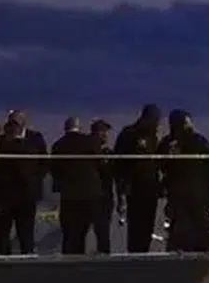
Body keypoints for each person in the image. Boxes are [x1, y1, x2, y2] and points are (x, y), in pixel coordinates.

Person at [0, 115, 48, 255]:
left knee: (26, 231)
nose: (12, 126)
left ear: (23, 123)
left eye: (16, 123)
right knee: (3, 232)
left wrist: (35, 180)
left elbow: (43, 162)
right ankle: (3, 259)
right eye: (10, 123)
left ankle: (27, 257)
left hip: (27, 194)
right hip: (5, 195)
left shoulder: (35, 138)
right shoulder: (1, 141)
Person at [157, 109, 209, 252]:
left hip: (194, 191)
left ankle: (199, 251)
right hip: (184, 192)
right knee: (181, 226)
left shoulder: (196, 141)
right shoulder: (171, 143)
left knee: (198, 225)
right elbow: (161, 163)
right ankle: (184, 251)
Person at [51, 117, 107, 254]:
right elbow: (101, 165)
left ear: (65, 128)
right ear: (79, 127)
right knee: (99, 232)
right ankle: (104, 260)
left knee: (71, 236)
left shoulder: (58, 145)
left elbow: (54, 170)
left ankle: (71, 262)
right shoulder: (90, 142)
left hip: (69, 196)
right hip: (91, 194)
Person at [113, 105, 162, 253]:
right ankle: (135, 254)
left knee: (147, 224)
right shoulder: (129, 134)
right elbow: (119, 162)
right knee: (136, 225)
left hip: (150, 186)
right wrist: (122, 188)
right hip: (135, 187)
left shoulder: (153, 136)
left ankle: (143, 252)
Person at [90, 119, 118, 253]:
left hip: (105, 196)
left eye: (106, 132)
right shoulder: (88, 152)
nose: (105, 135)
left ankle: (104, 255)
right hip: (91, 195)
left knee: (103, 231)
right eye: (102, 131)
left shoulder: (109, 153)